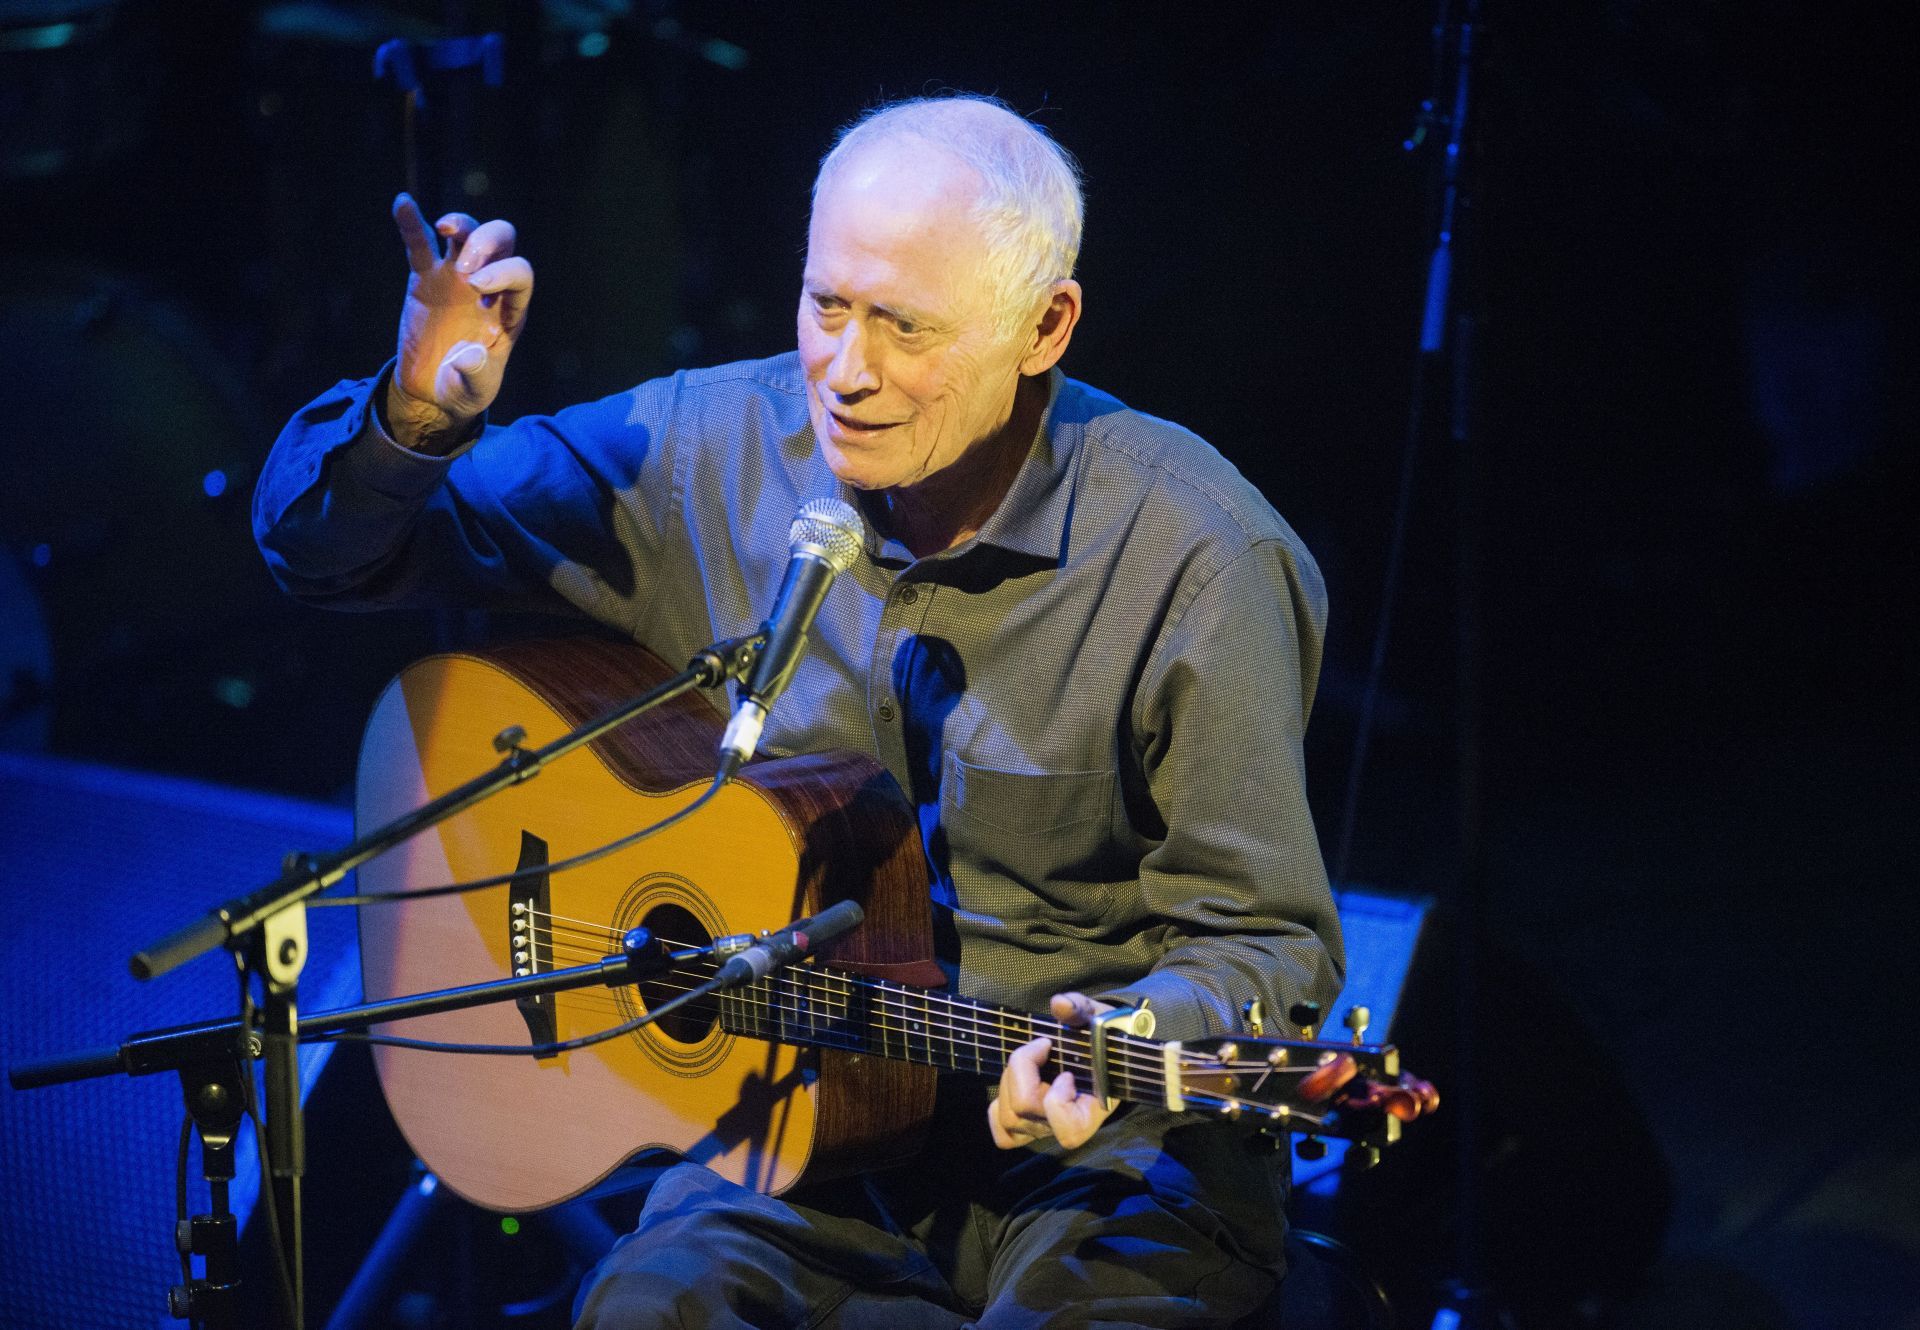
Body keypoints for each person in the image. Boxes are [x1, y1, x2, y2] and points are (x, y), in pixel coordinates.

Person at [256, 93, 1343, 1328]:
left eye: (905, 327)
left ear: (1044, 326)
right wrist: (414, 419)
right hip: (800, 1137)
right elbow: (329, 559)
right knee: (644, 1309)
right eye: (827, 305)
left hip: (1114, 1163)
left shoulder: (1200, 557)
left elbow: (1270, 945)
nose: (848, 370)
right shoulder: (703, 450)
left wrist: (1130, 1033)